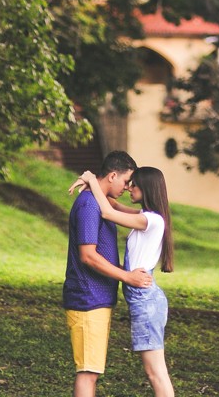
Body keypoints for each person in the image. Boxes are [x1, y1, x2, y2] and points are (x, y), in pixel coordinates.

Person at [77, 165, 175, 397]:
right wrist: (93, 185)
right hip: (143, 298)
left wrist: (91, 178)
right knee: (154, 372)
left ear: (147, 188)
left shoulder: (151, 220)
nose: (129, 188)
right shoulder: (145, 216)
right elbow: (112, 205)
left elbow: (107, 213)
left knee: (156, 373)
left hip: (145, 300)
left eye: (134, 184)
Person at [63, 150, 153, 397]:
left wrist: (91, 179)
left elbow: (134, 213)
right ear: (112, 176)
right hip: (87, 298)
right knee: (88, 372)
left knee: (92, 370)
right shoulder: (89, 205)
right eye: (126, 181)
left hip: (97, 298)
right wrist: (127, 276)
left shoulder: (100, 201)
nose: (128, 187)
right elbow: (88, 255)